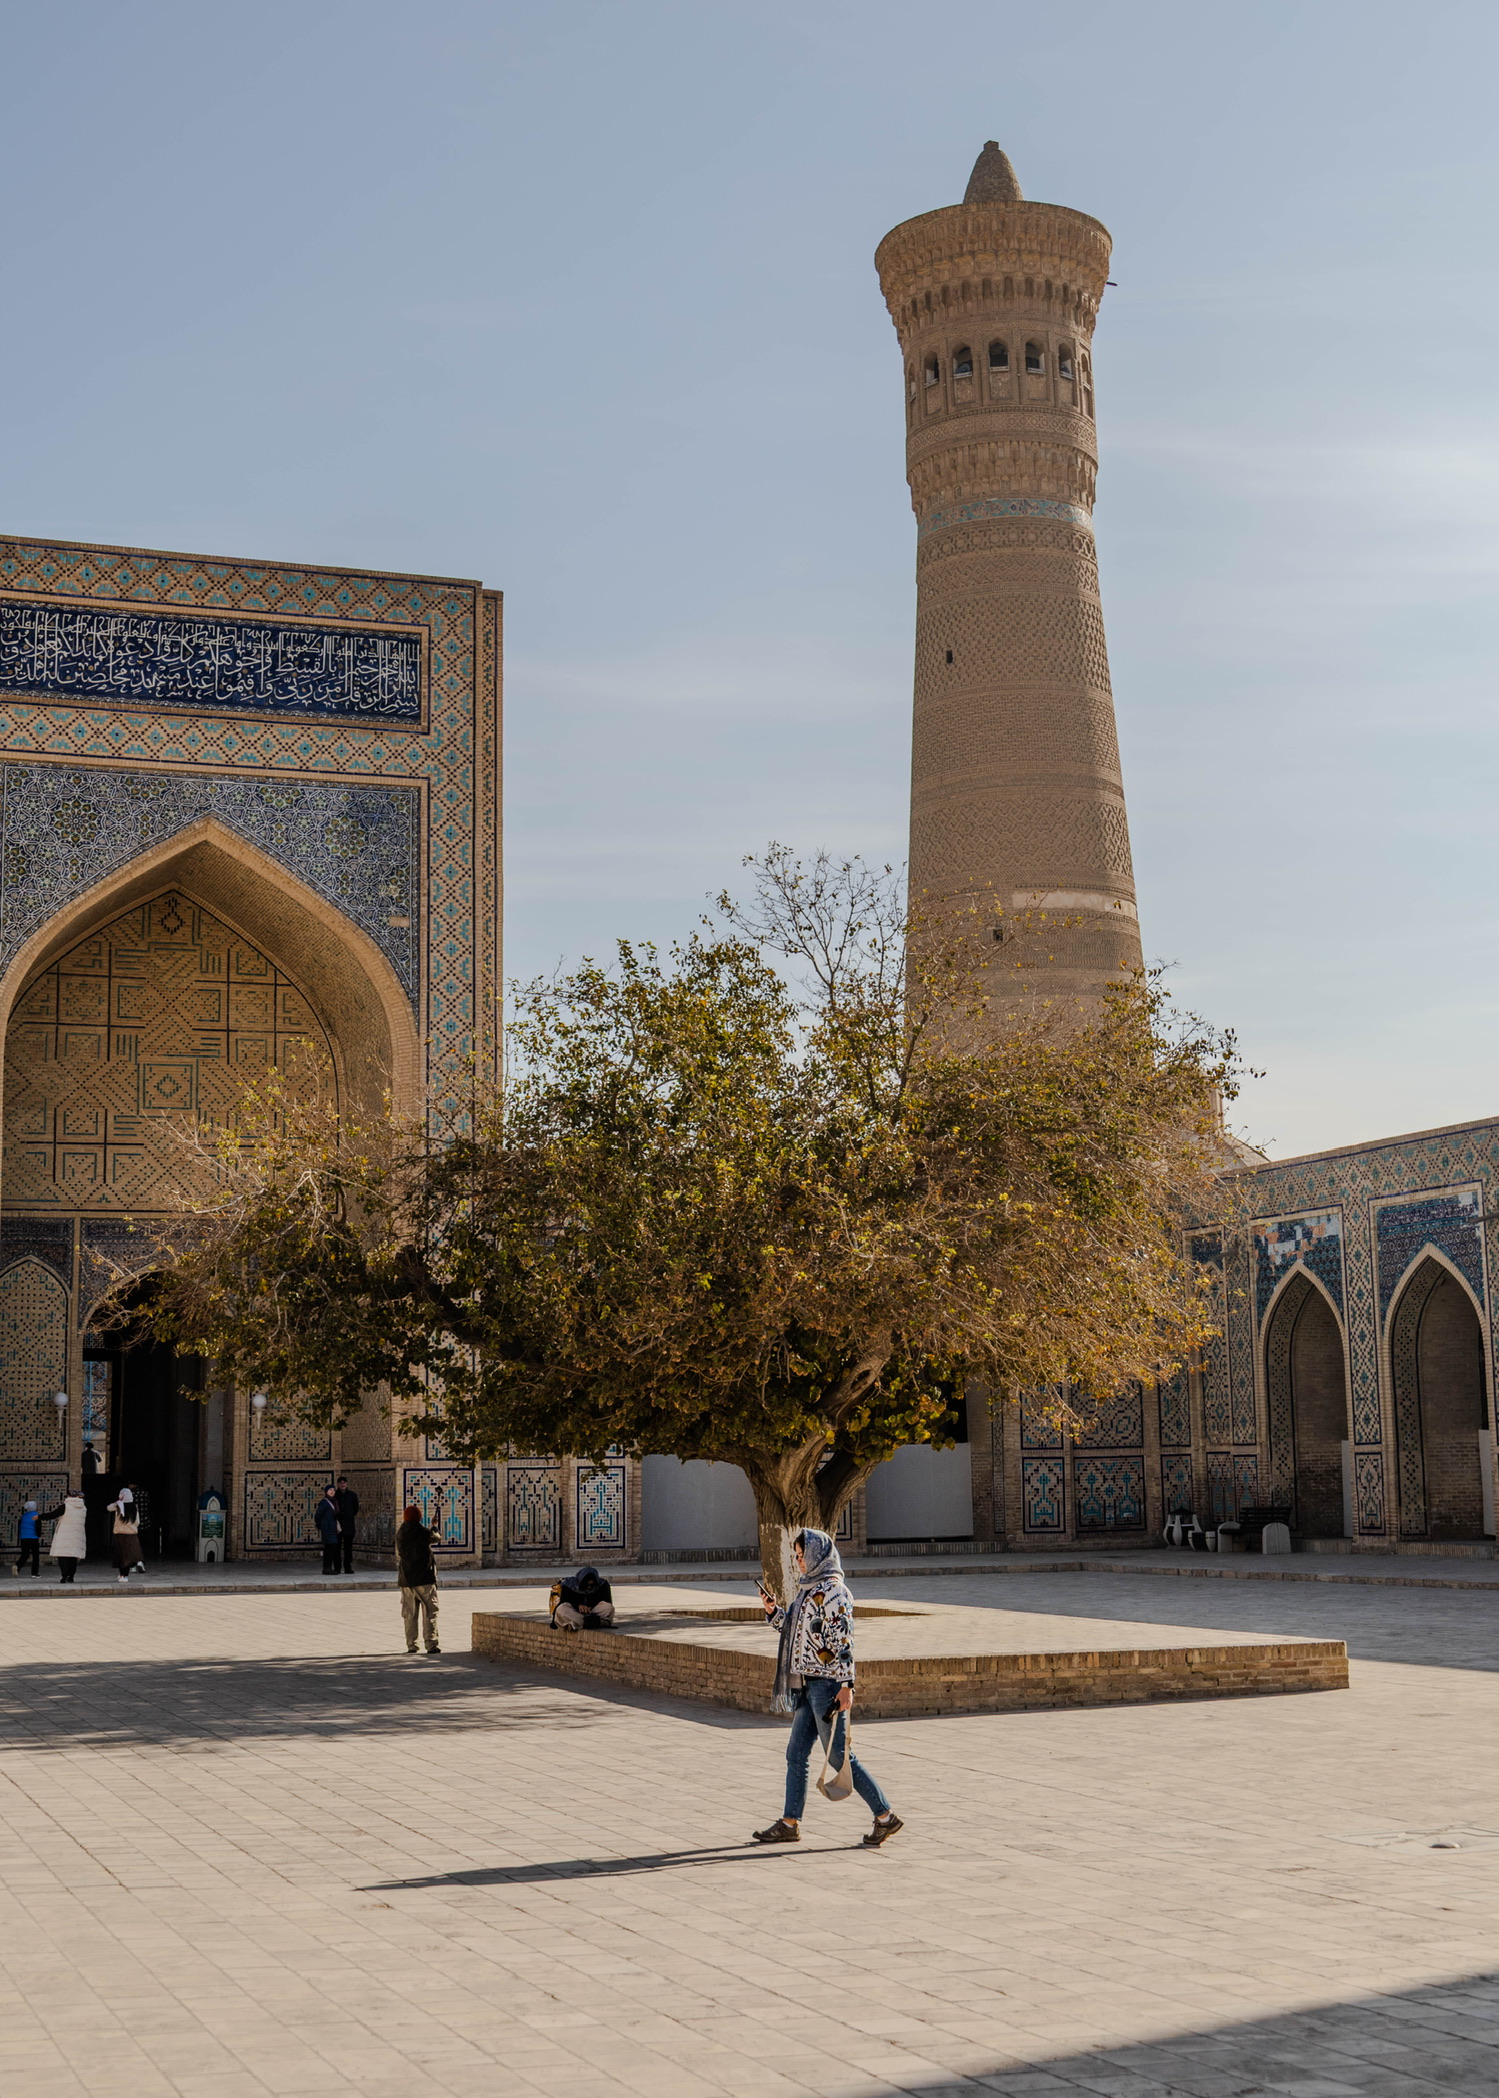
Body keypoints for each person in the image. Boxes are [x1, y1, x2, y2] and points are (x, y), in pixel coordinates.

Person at [751, 1527, 902, 1849]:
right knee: (796, 1754)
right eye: (797, 1556)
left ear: (819, 1555)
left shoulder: (835, 1593)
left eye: (803, 1556)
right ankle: (789, 1823)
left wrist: (847, 1686)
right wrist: (773, 1612)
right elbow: (794, 1635)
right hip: (807, 1684)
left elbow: (844, 1641)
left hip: (828, 1687)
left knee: (838, 1758)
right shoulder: (808, 1591)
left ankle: (885, 1816)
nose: (799, 1562)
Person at [395, 1503, 440, 1654]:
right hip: (425, 1579)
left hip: (407, 1580)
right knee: (429, 1613)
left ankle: (412, 1645)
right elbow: (437, 1538)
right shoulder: (423, 1532)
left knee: (410, 1614)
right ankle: (431, 1644)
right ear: (419, 1518)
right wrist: (434, 1526)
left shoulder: (401, 1533)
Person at [552, 1566, 615, 1631]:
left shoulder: (602, 1584)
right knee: (562, 1609)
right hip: (575, 1612)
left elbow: (606, 1601)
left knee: (608, 1607)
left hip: (593, 1611)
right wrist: (578, 1605)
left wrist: (589, 1609)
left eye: (591, 1586)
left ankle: (578, 1623)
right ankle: (594, 1623)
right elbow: (564, 1601)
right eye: (587, 1585)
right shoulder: (568, 1585)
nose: (589, 1588)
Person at [46, 1493, 87, 1583]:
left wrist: (39, 1517)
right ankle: (71, 1576)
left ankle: (64, 1575)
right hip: (77, 1535)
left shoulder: (66, 1506)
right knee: (73, 1558)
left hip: (64, 1535)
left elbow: (53, 1514)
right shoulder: (83, 1508)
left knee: (63, 1557)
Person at [107, 1488, 144, 1582]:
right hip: (131, 1534)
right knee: (128, 1556)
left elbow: (108, 1508)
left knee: (120, 1555)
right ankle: (125, 1575)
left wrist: (118, 1501)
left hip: (119, 1533)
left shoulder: (118, 1505)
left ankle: (122, 1574)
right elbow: (137, 1521)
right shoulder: (134, 1507)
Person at [335, 1475, 359, 1574]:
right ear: (338, 1484)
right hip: (338, 1525)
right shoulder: (335, 1495)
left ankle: (347, 1567)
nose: (343, 1484)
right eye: (341, 1483)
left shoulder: (352, 1495)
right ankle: (337, 1567)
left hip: (349, 1525)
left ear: (346, 1484)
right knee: (336, 1548)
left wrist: (348, 1515)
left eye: (344, 1482)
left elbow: (356, 1508)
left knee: (348, 1548)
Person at [315, 1483, 342, 1575]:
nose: (332, 1492)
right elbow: (318, 1515)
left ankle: (327, 1568)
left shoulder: (334, 1501)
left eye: (333, 1490)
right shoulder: (324, 1502)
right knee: (329, 1548)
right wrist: (320, 1525)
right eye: (330, 1490)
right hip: (327, 1528)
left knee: (330, 1548)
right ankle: (327, 1568)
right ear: (326, 1492)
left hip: (332, 1528)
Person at [15, 1500, 42, 1577]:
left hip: (23, 1538)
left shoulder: (24, 1516)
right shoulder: (36, 1515)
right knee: (35, 1556)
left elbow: (20, 1527)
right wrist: (38, 1535)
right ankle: (34, 1573)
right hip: (33, 1538)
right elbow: (38, 1527)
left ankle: (17, 1566)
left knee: (25, 1554)